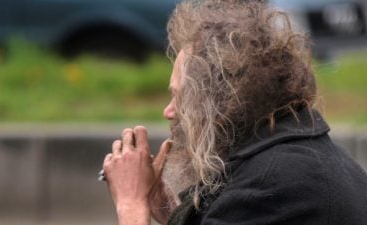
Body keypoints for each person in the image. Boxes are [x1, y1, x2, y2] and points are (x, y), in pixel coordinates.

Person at [100, 0, 367, 224]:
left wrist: (131, 206)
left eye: (181, 98)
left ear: (221, 102)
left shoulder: (268, 186)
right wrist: (169, 210)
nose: (169, 112)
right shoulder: (292, 156)